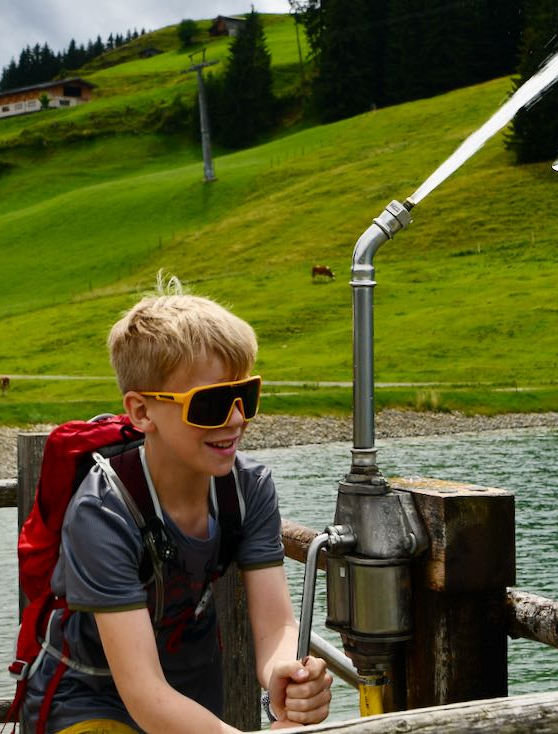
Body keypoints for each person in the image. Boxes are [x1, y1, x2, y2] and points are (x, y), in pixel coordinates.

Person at [24, 278, 334, 733]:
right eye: (208, 405)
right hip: (90, 705)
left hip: (190, 702)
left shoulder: (249, 487)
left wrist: (284, 674)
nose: (234, 420)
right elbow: (144, 695)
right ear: (142, 412)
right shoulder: (103, 512)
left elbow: (276, 626)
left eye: (243, 396)